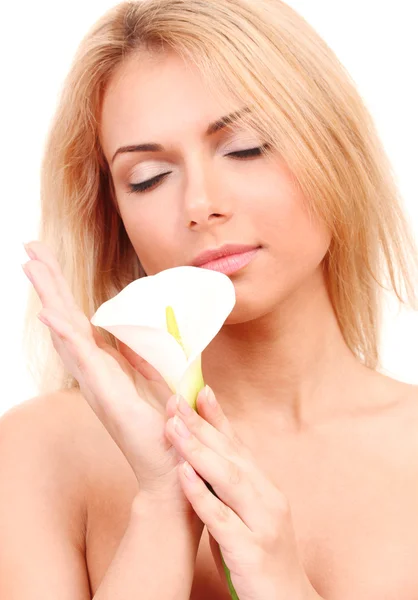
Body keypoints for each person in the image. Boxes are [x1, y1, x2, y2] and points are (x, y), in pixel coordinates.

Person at [1, 0, 418, 597]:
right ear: (114, 217)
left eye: (245, 147)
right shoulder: (40, 454)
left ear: (335, 149)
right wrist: (162, 505)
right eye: (147, 177)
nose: (201, 203)